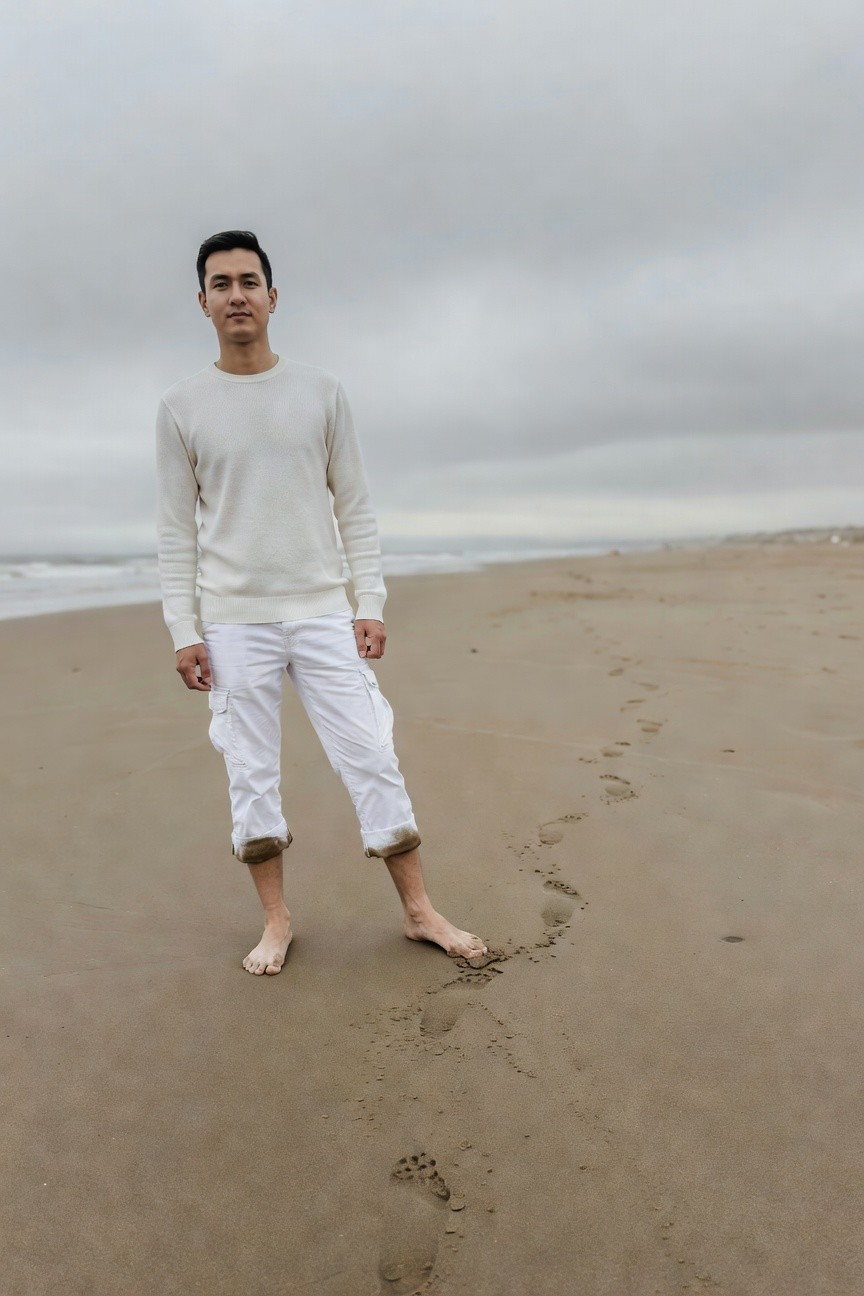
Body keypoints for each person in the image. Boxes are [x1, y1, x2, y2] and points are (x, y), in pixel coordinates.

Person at [155, 229, 487, 977]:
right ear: (203, 303)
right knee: (250, 772)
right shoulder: (181, 408)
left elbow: (356, 509)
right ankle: (277, 921)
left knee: (371, 753)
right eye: (221, 283)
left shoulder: (322, 393)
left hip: (323, 610)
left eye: (248, 281)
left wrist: (368, 601)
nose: (236, 295)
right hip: (234, 620)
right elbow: (176, 534)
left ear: (273, 296)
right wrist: (185, 630)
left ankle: (418, 911)